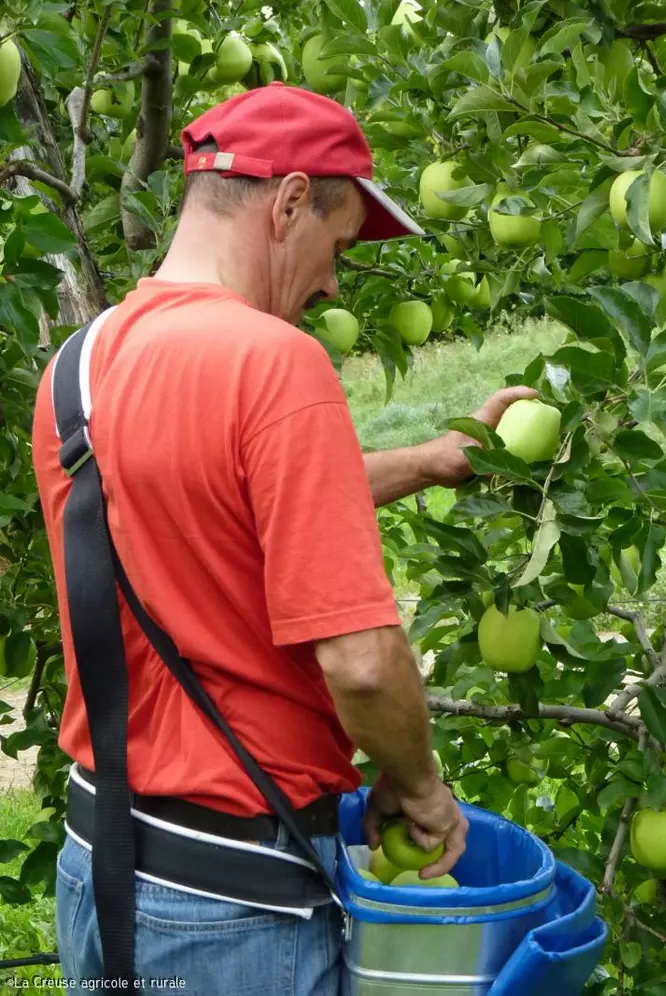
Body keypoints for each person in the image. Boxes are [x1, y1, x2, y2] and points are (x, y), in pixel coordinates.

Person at [32, 82, 536, 995]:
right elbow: (364, 665)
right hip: (231, 911)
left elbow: (214, 503)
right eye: (337, 247)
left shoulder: (83, 366)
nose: (334, 283)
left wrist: (425, 461)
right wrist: (417, 785)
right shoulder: (275, 363)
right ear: (291, 199)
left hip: (98, 867)